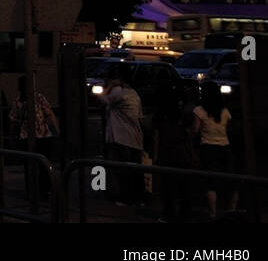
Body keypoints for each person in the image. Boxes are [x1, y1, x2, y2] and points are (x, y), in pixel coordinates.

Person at [100, 65, 145, 206]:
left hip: (121, 138)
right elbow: (140, 117)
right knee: (135, 170)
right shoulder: (134, 94)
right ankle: (139, 198)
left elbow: (103, 99)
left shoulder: (119, 92)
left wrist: (108, 87)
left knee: (121, 170)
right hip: (135, 137)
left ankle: (124, 198)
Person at [8, 76, 58, 201]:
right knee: (44, 166)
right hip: (43, 135)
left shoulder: (17, 102)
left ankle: (31, 192)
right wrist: (57, 130)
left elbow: (13, 121)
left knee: (29, 166)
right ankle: (44, 192)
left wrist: (12, 136)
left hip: (26, 137)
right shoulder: (39, 98)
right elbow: (49, 114)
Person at [192, 87, 238, 219]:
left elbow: (196, 130)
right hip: (225, 146)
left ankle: (213, 213)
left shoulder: (199, 110)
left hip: (208, 147)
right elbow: (228, 128)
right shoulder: (224, 110)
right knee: (231, 179)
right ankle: (232, 210)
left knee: (210, 182)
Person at [152, 95, 196, 223]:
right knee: (184, 186)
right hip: (181, 152)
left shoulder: (159, 117)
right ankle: (185, 213)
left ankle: (169, 213)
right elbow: (189, 136)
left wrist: (155, 156)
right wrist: (191, 153)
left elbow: (156, 137)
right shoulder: (182, 116)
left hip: (166, 152)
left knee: (167, 186)